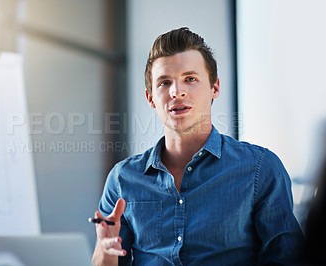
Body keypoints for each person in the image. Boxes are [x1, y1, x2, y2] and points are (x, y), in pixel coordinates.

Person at [92, 27, 304, 265]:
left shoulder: (260, 169)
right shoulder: (123, 179)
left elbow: (288, 258)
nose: (177, 92)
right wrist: (105, 248)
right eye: (164, 83)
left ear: (214, 87)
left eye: (190, 79)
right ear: (151, 97)